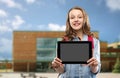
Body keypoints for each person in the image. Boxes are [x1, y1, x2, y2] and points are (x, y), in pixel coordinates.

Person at [51, 6, 101, 78]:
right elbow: (62, 70)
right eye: (72, 17)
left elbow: (95, 71)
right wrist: (57, 66)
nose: (76, 20)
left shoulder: (94, 42)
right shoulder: (63, 42)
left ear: (84, 20)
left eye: (80, 17)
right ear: (69, 21)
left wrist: (94, 66)